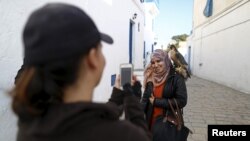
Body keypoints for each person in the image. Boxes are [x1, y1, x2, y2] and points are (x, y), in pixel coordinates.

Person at [10, 3, 151, 141]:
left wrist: (117, 96)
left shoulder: (29, 126)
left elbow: (85, 118)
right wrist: (131, 98)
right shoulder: (121, 135)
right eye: (100, 48)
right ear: (92, 58)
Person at [141, 49, 188, 141]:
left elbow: (182, 101)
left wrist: (157, 102)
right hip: (150, 122)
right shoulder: (150, 77)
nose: (155, 65)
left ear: (166, 60)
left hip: (167, 123)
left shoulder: (176, 78)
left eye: (159, 61)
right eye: (153, 62)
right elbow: (145, 100)